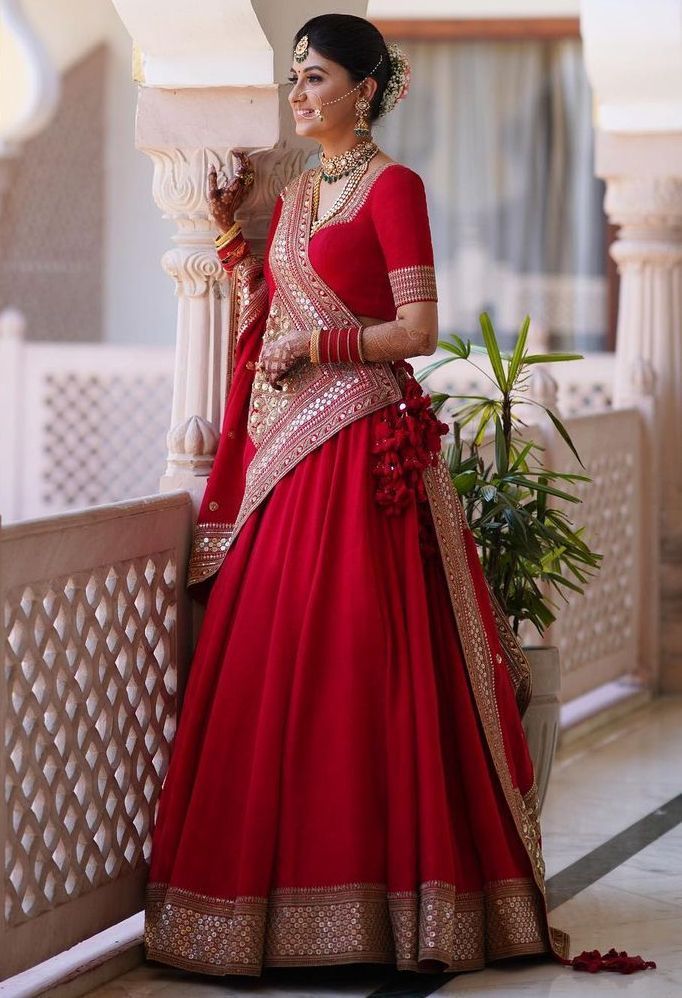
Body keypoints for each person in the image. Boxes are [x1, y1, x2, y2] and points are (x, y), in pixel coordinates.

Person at [142, 13, 652, 981]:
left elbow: (417, 326)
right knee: (275, 661)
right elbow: (274, 320)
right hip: (295, 461)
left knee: (365, 664)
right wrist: (236, 251)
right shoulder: (293, 197)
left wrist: (324, 346)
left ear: (368, 89)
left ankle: (394, 912)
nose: (300, 93)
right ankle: (255, 911)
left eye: (318, 77)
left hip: (363, 454)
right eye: (294, 76)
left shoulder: (394, 187)